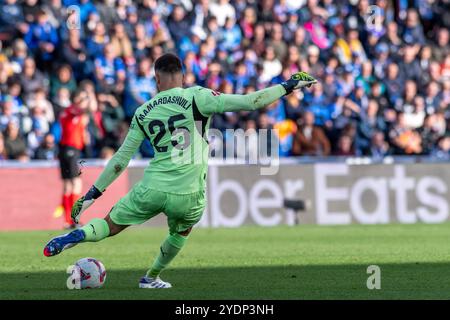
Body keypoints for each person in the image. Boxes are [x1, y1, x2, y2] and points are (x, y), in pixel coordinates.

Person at [43, 53, 317, 288]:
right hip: (189, 192)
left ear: (157, 79)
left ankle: (79, 234)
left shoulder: (143, 111)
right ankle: (151, 277)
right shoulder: (198, 96)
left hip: (151, 186)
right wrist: (288, 85)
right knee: (181, 232)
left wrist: (91, 195)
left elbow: (120, 160)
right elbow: (252, 102)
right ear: (183, 77)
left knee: (110, 225)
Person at [58, 89, 90, 229]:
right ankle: (73, 219)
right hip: (71, 149)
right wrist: (87, 99)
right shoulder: (71, 110)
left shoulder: (69, 111)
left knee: (67, 185)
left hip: (66, 149)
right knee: (76, 183)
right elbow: (83, 110)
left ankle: (68, 221)